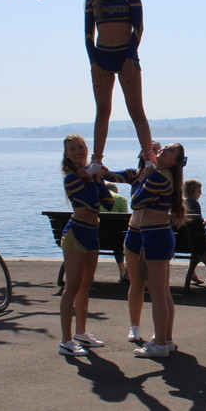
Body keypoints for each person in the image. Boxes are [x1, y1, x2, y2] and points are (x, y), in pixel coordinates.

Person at [104, 142, 187, 358]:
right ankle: (165, 340)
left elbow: (136, 202)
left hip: (155, 234)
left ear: (174, 162)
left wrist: (147, 176)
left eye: (168, 151)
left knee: (159, 294)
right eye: (161, 149)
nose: (162, 152)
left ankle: (160, 344)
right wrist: (99, 167)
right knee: (161, 293)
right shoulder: (154, 174)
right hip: (148, 234)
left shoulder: (159, 176)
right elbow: (112, 177)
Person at [85, 0, 153, 171]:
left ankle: (149, 157)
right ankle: (97, 159)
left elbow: (139, 27)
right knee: (103, 110)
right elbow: (88, 34)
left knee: (136, 109)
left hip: (126, 55)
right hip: (102, 57)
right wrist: (94, 63)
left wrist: (130, 57)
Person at [58, 134, 115, 357]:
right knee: (71, 286)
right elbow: (91, 203)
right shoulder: (71, 178)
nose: (77, 152)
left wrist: (98, 178)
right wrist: (92, 180)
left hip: (93, 234)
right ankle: (65, 340)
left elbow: (108, 204)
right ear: (66, 154)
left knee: (85, 285)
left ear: (86, 149)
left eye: (80, 147)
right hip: (76, 234)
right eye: (72, 149)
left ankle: (80, 333)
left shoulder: (90, 175)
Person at [183, 178, 206, 290]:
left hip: (180, 242)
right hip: (194, 242)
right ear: (193, 191)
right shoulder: (194, 204)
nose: (201, 193)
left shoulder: (178, 202)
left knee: (192, 239)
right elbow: (201, 225)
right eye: (199, 190)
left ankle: (193, 274)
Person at [103, 183, 130, 283]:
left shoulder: (96, 198)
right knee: (118, 239)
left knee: (114, 237)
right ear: (115, 191)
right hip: (117, 239)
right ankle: (123, 271)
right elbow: (125, 221)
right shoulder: (121, 199)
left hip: (97, 238)